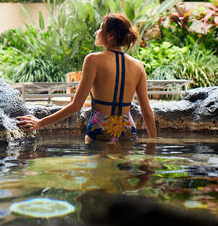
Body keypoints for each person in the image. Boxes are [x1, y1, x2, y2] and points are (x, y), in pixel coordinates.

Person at [17, 13, 157, 143]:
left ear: (111, 36)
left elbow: (76, 106)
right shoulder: (138, 65)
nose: (97, 32)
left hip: (100, 130)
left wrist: (40, 123)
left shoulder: (93, 60)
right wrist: (153, 146)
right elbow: (146, 111)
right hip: (127, 132)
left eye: (101, 28)